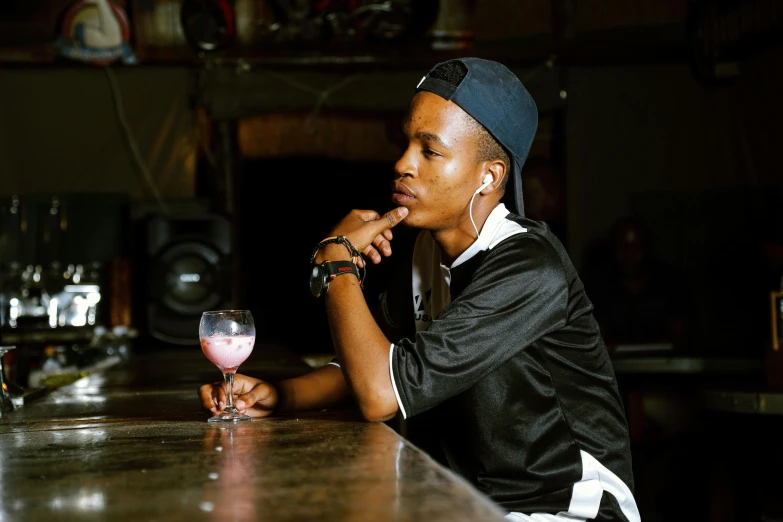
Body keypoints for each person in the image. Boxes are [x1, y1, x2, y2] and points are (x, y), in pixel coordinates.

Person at [199, 57, 640, 522]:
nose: (402, 163)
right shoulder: (425, 251)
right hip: (466, 502)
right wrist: (281, 396)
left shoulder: (529, 267)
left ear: (489, 176)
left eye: (429, 151)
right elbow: (381, 362)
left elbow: (380, 393)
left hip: (563, 512)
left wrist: (336, 260)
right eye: (406, 142)